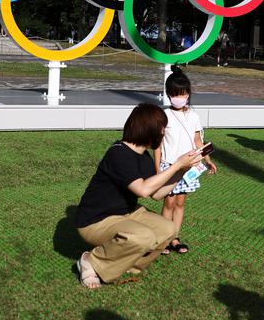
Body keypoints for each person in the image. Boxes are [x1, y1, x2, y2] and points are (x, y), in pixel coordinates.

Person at [74, 104, 202, 288]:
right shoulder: (118, 153)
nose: (164, 133)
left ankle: (127, 265)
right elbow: (142, 190)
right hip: (96, 220)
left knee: (168, 229)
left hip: (125, 213)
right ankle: (91, 262)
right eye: (162, 128)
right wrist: (176, 164)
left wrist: (182, 170)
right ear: (149, 129)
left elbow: (157, 194)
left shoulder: (144, 156)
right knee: (144, 236)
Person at [154, 67, 217, 255]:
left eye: (182, 94)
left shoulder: (194, 116)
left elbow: (198, 141)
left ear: (188, 94)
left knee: (180, 204)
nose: (179, 98)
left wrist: (208, 160)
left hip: (189, 166)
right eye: (175, 94)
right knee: (169, 204)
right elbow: (157, 145)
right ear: (168, 94)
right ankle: (163, 239)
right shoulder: (163, 116)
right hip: (170, 166)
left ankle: (174, 238)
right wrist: (158, 170)